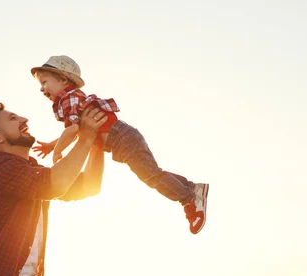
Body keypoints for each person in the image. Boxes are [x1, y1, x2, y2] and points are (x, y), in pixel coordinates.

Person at [30, 55, 210, 234]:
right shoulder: (71, 98)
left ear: (62, 79)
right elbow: (78, 132)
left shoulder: (68, 100)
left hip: (122, 139)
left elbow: (72, 130)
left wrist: (57, 151)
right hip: (124, 137)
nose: (41, 89)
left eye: (44, 82)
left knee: (151, 176)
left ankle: (189, 199)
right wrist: (52, 145)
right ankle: (193, 188)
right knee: (154, 173)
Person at [0, 102, 108, 276]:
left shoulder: (30, 171)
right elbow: (55, 184)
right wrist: (86, 137)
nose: (24, 119)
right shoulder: (0, 168)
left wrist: (97, 143)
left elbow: (89, 186)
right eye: (13, 118)